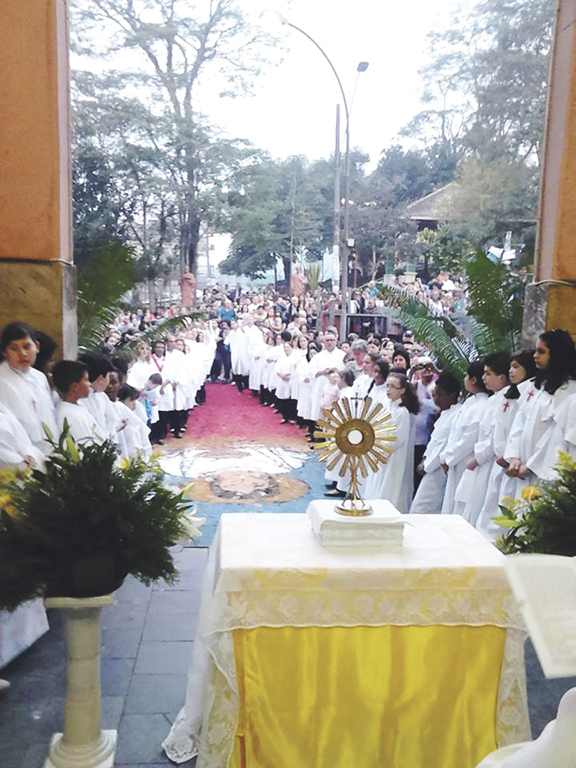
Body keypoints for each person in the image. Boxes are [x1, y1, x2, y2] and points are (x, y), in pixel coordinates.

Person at [476, 349, 536, 540]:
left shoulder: (530, 396)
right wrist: (502, 454)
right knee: (495, 504)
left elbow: (522, 431)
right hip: (502, 461)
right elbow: (500, 429)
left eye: (516, 367)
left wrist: (512, 457)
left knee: (512, 509)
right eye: (510, 366)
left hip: (518, 464)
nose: (511, 371)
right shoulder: (507, 396)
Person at [456, 352, 510, 526]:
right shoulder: (494, 400)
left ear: (502, 378)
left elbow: (496, 436)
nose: (483, 378)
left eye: (488, 374)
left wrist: (478, 458)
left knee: (484, 507)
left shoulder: (505, 401)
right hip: (483, 461)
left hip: (490, 462)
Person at [0, 322, 57, 455]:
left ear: (36, 347)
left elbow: (48, 417)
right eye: (14, 349)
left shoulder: (40, 377)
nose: (22, 354)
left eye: (27, 347)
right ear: (4, 352)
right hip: (19, 455)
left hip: (49, 452)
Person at [440, 361, 489, 515]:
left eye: (467, 375)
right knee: (451, 503)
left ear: (473, 379)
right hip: (455, 460)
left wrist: (450, 457)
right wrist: (447, 457)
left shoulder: (483, 405)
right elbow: (455, 433)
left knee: (461, 505)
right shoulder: (470, 402)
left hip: (465, 460)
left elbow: (469, 438)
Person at [410, 373, 461, 514]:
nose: (436, 399)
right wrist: (424, 459)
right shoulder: (444, 414)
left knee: (424, 508)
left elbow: (443, 445)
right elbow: (434, 441)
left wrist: (427, 465)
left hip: (437, 468)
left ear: (452, 395)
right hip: (429, 465)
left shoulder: (457, 414)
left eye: (440, 395)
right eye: (434, 395)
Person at [52, 360, 106, 445]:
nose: (89, 384)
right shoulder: (66, 414)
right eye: (86, 380)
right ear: (75, 386)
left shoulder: (79, 405)